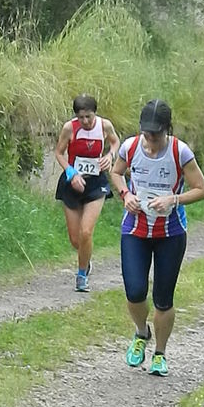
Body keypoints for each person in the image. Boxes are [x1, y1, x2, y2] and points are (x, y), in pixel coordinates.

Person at [110, 99, 204, 376]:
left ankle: (160, 354)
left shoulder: (180, 151)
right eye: (146, 133)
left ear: (167, 129)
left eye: (155, 133)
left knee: (163, 298)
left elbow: (202, 189)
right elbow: (116, 173)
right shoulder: (130, 147)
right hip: (135, 229)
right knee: (134, 290)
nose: (150, 139)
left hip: (171, 233)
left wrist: (174, 199)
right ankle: (141, 334)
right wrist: (125, 194)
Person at [55, 94, 120, 292]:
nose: (85, 121)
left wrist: (110, 155)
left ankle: (81, 275)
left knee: (86, 231)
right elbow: (59, 153)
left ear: (95, 114)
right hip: (72, 183)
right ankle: (86, 259)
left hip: (95, 184)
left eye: (88, 117)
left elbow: (115, 142)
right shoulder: (69, 128)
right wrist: (71, 172)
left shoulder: (105, 126)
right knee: (76, 239)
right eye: (81, 117)